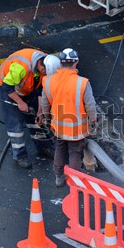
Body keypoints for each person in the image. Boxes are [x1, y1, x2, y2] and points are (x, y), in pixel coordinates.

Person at [41, 48, 98, 187]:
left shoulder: (48, 81)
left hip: (58, 127)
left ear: (60, 63)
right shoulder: (82, 82)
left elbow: (45, 103)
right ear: (76, 62)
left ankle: (59, 177)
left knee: (59, 149)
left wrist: (47, 118)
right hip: (76, 129)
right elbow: (90, 105)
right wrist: (94, 119)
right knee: (75, 153)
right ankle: (75, 182)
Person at [0, 48, 55, 169]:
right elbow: (7, 87)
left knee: (36, 120)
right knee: (15, 125)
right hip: (11, 90)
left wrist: (40, 111)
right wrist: (20, 102)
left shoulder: (48, 61)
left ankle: (43, 147)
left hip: (30, 87)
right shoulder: (21, 67)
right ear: (42, 68)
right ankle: (20, 156)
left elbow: (41, 89)